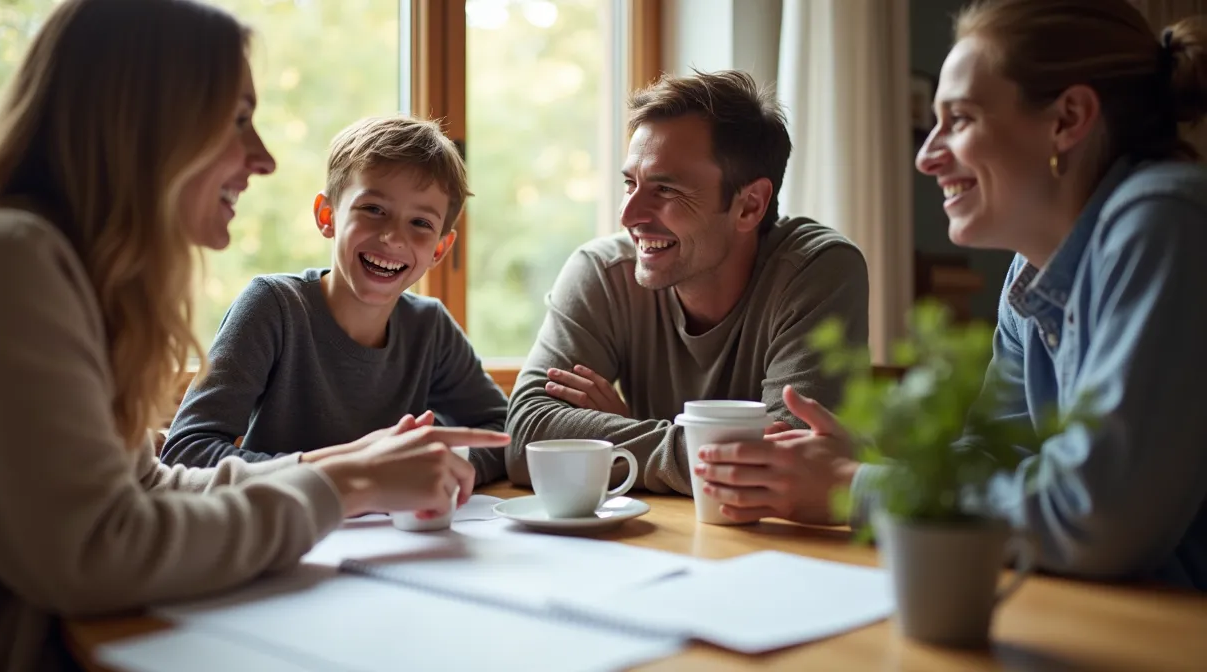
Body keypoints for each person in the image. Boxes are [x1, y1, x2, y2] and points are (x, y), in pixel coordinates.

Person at [0, 1, 508, 669]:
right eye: (239, 120)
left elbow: (145, 491)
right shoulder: (2, 263)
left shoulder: (64, 274)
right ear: (145, 119)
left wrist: (346, 468)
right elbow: (97, 551)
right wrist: (348, 487)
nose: (263, 158)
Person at [697, 0, 1207, 590]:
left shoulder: (1165, 221)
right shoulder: (1030, 273)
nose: (925, 155)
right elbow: (996, 461)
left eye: (960, 119)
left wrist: (849, 486)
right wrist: (873, 467)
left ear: (1068, 119)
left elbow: (1099, 517)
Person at [505, 70, 870, 496]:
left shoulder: (817, 270)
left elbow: (788, 463)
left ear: (749, 206)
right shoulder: (602, 273)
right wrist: (667, 444)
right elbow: (524, 435)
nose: (628, 215)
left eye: (665, 189)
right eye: (630, 183)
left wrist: (615, 438)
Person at [161, 115, 508, 486]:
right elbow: (187, 452)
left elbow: (506, 433)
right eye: (373, 210)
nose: (393, 237)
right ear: (327, 216)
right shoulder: (273, 308)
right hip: (282, 534)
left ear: (440, 248)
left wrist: (439, 464)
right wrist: (357, 470)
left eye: (421, 223)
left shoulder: (430, 328)